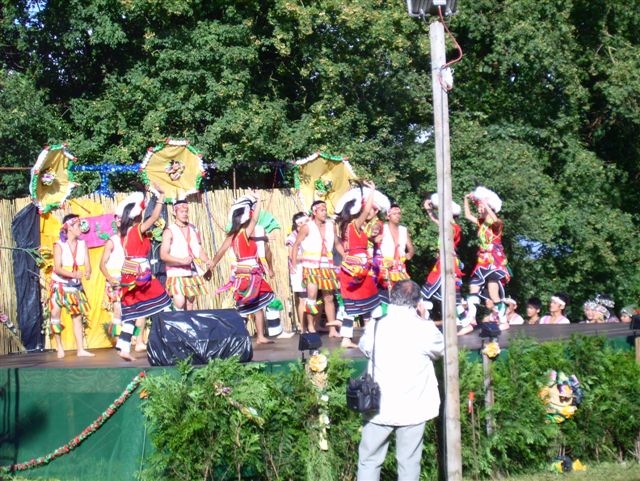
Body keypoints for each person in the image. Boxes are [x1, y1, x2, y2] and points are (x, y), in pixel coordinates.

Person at [357, 280, 444, 481]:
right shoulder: (424, 329)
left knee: (369, 461)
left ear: (391, 297)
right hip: (413, 405)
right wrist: (424, 319)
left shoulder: (377, 324)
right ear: (417, 302)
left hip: (378, 406)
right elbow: (440, 350)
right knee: (409, 463)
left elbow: (365, 347)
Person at [210, 191, 274, 344]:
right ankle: (239, 336)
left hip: (243, 275)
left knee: (256, 305)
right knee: (247, 306)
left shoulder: (232, 235)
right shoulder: (245, 233)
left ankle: (259, 336)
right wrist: (258, 200)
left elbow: (221, 251)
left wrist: (212, 264)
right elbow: (256, 218)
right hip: (249, 274)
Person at [116, 187, 172, 360]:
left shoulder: (125, 233)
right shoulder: (137, 229)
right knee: (165, 302)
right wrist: (160, 198)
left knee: (132, 312)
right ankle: (173, 338)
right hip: (141, 276)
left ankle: (124, 347)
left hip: (129, 275)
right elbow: (154, 217)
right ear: (138, 214)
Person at [335, 182, 383, 348]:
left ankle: (349, 338)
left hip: (354, 268)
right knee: (372, 303)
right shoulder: (353, 225)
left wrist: (347, 256)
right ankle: (368, 336)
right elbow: (366, 209)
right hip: (357, 270)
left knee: (356, 304)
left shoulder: (346, 227)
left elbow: (339, 245)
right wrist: (372, 191)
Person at [290, 199, 341, 337]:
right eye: (322, 210)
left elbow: (337, 243)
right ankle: (311, 327)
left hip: (326, 265)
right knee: (311, 296)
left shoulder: (331, 226)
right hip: (311, 265)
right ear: (314, 212)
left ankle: (332, 329)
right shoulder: (307, 227)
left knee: (329, 297)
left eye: (325, 210)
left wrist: (345, 256)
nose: (324, 213)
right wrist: (294, 264)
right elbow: (295, 245)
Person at [99, 208, 148, 352]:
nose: (119, 221)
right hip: (116, 280)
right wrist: (109, 278)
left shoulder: (131, 238)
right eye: (117, 218)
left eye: (122, 218)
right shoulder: (112, 241)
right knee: (119, 309)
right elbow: (102, 264)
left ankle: (138, 340)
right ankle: (121, 339)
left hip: (131, 278)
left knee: (140, 310)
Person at [462, 186, 510, 326]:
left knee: (493, 293)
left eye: (481, 207)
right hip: (483, 261)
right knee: (473, 286)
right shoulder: (481, 223)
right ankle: (471, 317)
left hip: (494, 261)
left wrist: (484, 201)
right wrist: (467, 200)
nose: (479, 209)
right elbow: (467, 215)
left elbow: (494, 219)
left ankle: (502, 318)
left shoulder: (497, 224)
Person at [49, 213, 94, 359]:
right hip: (60, 285)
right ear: (69, 227)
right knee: (55, 313)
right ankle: (59, 347)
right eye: (78, 225)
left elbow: (88, 265)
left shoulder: (82, 244)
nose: (81, 227)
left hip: (74, 286)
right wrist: (72, 274)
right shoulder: (59, 245)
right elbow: (57, 267)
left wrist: (87, 272)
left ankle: (80, 349)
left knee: (77, 316)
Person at [160, 200, 213, 310]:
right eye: (181, 211)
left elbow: (198, 249)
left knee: (190, 303)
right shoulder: (169, 231)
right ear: (175, 212)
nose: (185, 214)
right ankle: (174, 321)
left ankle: (188, 326)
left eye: (186, 211)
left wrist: (207, 261)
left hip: (191, 271)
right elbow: (163, 255)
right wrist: (181, 261)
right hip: (175, 272)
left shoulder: (193, 229)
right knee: (179, 303)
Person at [421, 194, 464, 321]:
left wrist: (436, 209)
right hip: (443, 261)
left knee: (428, 290)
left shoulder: (453, 228)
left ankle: (463, 318)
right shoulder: (449, 226)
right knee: (445, 293)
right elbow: (437, 221)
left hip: (448, 261)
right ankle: (462, 318)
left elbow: (445, 229)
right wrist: (429, 210)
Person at [376, 203, 415, 299]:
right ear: (387, 216)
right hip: (385, 265)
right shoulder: (382, 228)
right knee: (386, 293)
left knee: (402, 292)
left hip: (399, 265)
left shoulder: (403, 230)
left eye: (399, 213)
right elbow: (372, 239)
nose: (398, 216)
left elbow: (411, 248)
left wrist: (409, 254)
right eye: (395, 214)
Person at [286, 212, 309, 331]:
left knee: (312, 297)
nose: (303, 225)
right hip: (299, 269)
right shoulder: (292, 237)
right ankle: (302, 326)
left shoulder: (310, 234)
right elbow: (291, 255)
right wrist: (309, 256)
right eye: (300, 223)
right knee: (303, 298)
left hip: (310, 267)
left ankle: (312, 325)